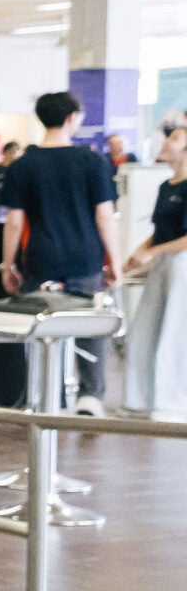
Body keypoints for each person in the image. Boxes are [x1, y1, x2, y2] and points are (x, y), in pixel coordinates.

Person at [0, 90, 124, 414]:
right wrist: (115, 262)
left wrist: (7, 265)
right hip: (86, 259)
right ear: (71, 118)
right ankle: (90, 397)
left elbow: (14, 223)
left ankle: (45, 396)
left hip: (41, 260)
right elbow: (105, 217)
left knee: (43, 328)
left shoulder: (22, 165)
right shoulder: (92, 161)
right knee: (91, 326)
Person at [121, 123, 187, 418]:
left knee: (174, 333)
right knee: (144, 331)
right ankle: (141, 399)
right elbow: (160, 231)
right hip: (162, 265)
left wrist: (152, 252)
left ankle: (172, 402)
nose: (166, 142)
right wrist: (139, 252)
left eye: (175, 138)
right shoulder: (166, 186)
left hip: (181, 266)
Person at [0, 138, 25, 215]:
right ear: (4, 153)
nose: (14, 155)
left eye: (17, 152)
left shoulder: (20, 170)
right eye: (12, 152)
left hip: (15, 208)